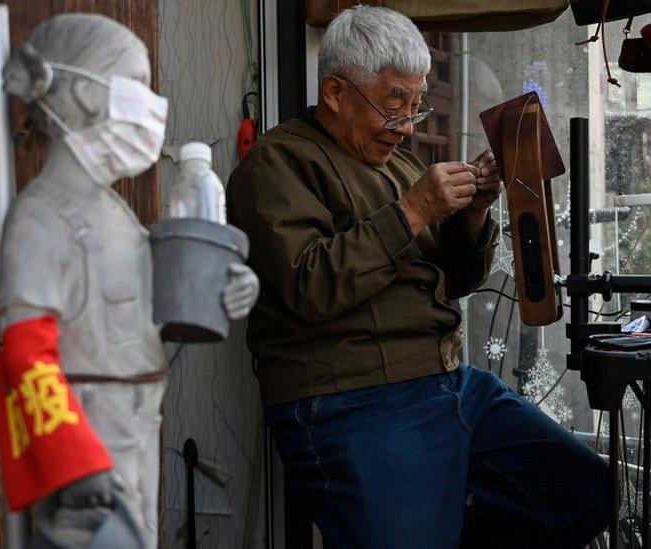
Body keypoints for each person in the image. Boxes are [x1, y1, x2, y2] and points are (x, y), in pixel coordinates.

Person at [226, 6, 608, 548]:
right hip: (352, 398)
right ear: (335, 93)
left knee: (581, 491)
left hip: (449, 382)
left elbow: (457, 280)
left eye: (415, 102)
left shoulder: (400, 166)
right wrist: (413, 211)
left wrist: (473, 212)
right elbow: (306, 287)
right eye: (393, 104)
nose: (407, 124)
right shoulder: (277, 164)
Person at [0, 13, 259, 547]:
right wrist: (72, 460)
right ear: (90, 96)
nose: (150, 107)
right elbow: (25, 351)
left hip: (137, 425)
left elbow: (142, 312)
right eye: (137, 87)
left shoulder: (117, 214)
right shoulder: (40, 218)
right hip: (86, 438)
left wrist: (226, 290)